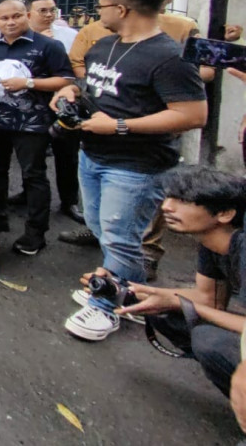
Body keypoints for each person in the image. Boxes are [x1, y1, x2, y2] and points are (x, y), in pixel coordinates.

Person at [55, 0, 207, 341]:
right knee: (105, 229)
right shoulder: (103, 46)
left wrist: (120, 126)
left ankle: (107, 308)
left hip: (137, 165)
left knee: (122, 237)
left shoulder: (170, 57)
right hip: (92, 154)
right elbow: (92, 87)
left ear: (121, 8)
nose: (97, 13)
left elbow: (192, 115)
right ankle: (130, 293)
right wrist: (70, 93)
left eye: (101, 6)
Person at [91, 166, 245, 397]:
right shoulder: (211, 239)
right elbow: (208, 298)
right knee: (162, 311)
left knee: (210, 341)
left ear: (225, 213)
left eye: (183, 200)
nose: (166, 207)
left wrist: (180, 303)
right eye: (168, 197)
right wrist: (128, 289)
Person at [0, 0, 72, 255]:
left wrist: (29, 83)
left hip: (31, 124)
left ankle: (35, 233)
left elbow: (67, 79)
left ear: (27, 16)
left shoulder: (49, 46)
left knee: (33, 175)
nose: (10, 22)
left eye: (16, 16)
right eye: (4, 18)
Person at [21, 0, 84, 224]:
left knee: (66, 155)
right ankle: (28, 194)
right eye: (43, 11)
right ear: (28, 14)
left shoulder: (69, 36)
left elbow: (77, 71)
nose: (49, 15)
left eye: (52, 10)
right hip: (30, 105)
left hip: (62, 103)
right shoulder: (20, 37)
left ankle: (69, 201)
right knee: (32, 156)